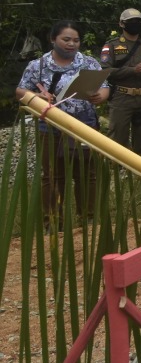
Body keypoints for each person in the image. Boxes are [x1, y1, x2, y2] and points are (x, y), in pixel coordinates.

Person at [16, 21, 111, 229]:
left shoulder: (88, 62)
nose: (71, 44)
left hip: (84, 126)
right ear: (53, 39)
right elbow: (21, 91)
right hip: (50, 128)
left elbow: (104, 86)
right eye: (66, 39)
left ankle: (89, 219)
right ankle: (53, 223)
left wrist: (100, 96)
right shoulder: (38, 65)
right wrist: (37, 96)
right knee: (52, 175)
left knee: (87, 174)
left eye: (76, 40)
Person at [100, 8, 141, 159]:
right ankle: (116, 176)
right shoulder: (112, 46)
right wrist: (133, 70)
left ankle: (138, 179)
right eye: (132, 22)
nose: (136, 24)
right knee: (117, 142)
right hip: (122, 98)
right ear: (122, 24)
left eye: (139, 22)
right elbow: (105, 71)